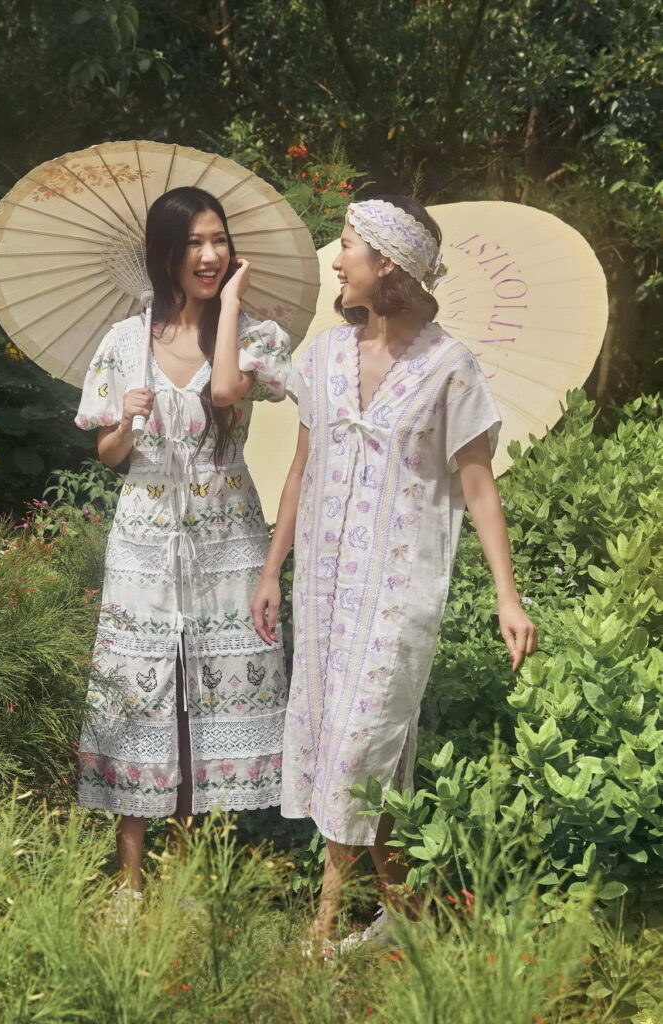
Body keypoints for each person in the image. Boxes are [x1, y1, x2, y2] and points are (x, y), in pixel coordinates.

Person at [251, 195, 538, 946]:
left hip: (398, 589)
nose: (336, 259)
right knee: (358, 746)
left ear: (387, 264)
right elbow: (299, 471)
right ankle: (405, 916)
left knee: (358, 742)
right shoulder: (322, 356)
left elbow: (478, 485)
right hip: (323, 588)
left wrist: (508, 597)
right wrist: (272, 570)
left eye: (347, 244)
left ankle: (322, 929)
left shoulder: (448, 367)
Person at [75, 186, 291, 906]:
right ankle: (131, 885)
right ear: (166, 253)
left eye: (218, 240)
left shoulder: (253, 336)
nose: (210, 254)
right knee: (143, 692)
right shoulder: (123, 342)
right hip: (143, 544)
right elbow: (109, 456)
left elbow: (227, 393)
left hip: (227, 538)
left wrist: (229, 305)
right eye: (194, 242)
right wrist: (125, 423)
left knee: (206, 694)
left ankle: (191, 876)